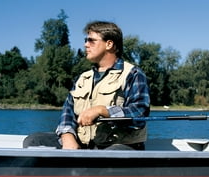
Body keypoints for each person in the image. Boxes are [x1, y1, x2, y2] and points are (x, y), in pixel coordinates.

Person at [23, 21, 150, 150]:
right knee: (33, 141)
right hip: (84, 144)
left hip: (118, 145)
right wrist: (67, 137)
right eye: (86, 40)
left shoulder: (132, 74)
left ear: (109, 44)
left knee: (108, 156)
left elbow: (139, 114)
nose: (86, 45)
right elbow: (67, 114)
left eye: (91, 41)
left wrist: (102, 110)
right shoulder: (82, 78)